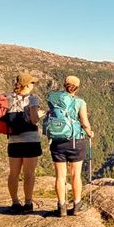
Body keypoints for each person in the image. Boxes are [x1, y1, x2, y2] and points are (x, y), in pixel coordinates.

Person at [47, 75, 94, 217]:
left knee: (60, 176)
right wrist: (90, 133)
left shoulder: (52, 99)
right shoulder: (79, 102)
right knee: (75, 174)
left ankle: (61, 207)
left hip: (57, 140)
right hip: (75, 141)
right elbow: (84, 123)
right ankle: (77, 205)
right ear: (77, 87)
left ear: (64, 85)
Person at [6, 73, 43, 213]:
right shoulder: (32, 99)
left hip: (13, 140)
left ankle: (15, 202)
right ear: (27, 85)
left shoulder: (8, 98)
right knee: (29, 173)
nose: (33, 85)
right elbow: (33, 119)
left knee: (13, 173)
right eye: (32, 83)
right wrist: (39, 115)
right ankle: (28, 203)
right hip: (30, 140)